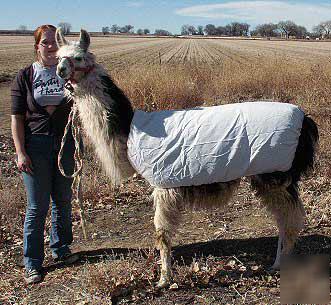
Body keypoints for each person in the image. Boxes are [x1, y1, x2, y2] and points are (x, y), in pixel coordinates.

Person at [11, 24, 79, 284]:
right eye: (45, 43)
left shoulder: (69, 73)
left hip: (65, 144)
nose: (51, 47)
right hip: (35, 146)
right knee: (37, 206)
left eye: (54, 42)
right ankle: (33, 262)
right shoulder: (26, 76)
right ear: (37, 46)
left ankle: (61, 248)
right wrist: (20, 152)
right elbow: (16, 119)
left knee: (63, 200)